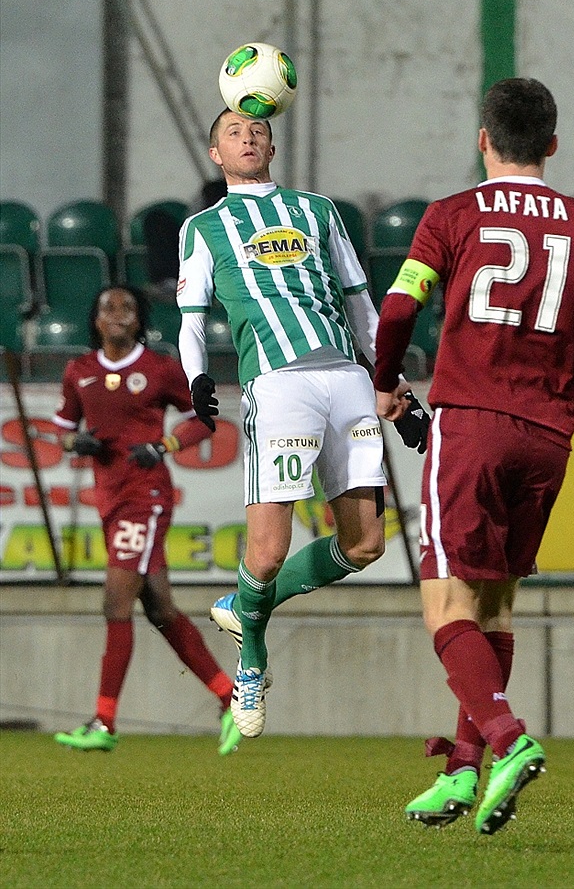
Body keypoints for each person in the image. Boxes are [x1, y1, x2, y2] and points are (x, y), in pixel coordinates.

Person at [373, 78, 574, 835]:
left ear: (483, 139)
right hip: (547, 436)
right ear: (552, 144)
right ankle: (463, 771)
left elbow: (400, 307)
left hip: (471, 423)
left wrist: (384, 383)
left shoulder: (453, 215)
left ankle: (507, 739)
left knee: (444, 602)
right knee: (495, 604)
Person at [177, 110, 421, 740]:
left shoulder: (317, 210)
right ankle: (251, 660)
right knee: (268, 550)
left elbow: (362, 302)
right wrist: (199, 379)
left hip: (345, 377)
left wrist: (394, 382)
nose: (247, 137)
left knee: (366, 544)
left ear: (273, 143)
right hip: (278, 384)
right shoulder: (203, 229)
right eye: (233, 131)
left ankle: (244, 609)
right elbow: (191, 319)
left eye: (256, 129)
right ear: (214, 153)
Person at [53, 285, 241, 756]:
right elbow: (61, 428)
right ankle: (229, 698)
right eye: (108, 308)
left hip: (147, 496)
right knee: (158, 609)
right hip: (110, 500)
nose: (117, 315)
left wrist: (165, 445)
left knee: (115, 604)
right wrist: (76, 444)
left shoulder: (157, 369)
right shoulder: (80, 371)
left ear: (139, 321)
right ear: (95, 320)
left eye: (127, 309)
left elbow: (203, 417)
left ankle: (104, 721)